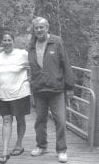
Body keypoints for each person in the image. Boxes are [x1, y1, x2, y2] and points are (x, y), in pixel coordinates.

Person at [28, 17, 74, 163]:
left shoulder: (57, 41)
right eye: (36, 28)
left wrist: (70, 86)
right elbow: (29, 65)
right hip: (39, 89)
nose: (39, 30)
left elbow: (66, 63)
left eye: (42, 27)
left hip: (56, 89)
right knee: (40, 120)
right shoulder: (31, 45)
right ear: (34, 30)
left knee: (60, 120)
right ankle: (41, 146)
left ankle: (61, 150)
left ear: (47, 28)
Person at [0, 32, 31, 164]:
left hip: (20, 92)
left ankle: (19, 144)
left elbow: (35, 62)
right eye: (4, 40)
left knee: (20, 118)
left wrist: (31, 77)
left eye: (9, 40)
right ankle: (5, 152)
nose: (7, 42)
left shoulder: (22, 53)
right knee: (6, 120)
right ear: (2, 42)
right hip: (2, 94)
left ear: (13, 41)